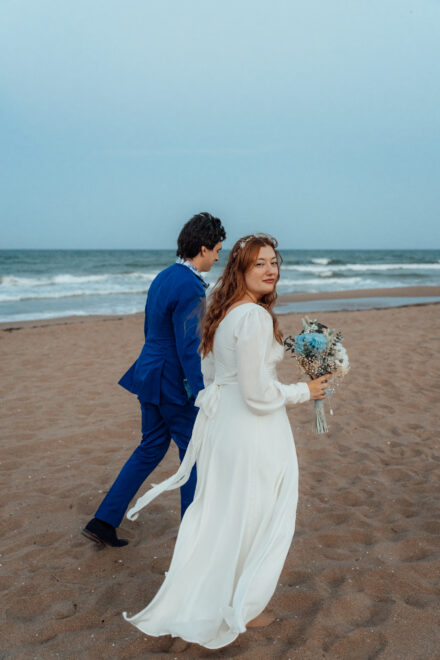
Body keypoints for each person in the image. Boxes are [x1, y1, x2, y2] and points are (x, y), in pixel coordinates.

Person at [121, 233, 330, 648]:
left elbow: (212, 377)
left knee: (228, 515)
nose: (271, 269)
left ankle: (224, 600)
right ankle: (242, 607)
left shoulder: (223, 312)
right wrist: (305, 392)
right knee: (257, 515)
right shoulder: (252, 317)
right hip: (254, 430)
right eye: (260, 264)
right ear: (241, 270)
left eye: (274, 262)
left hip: (225, 427)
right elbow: (257, 394)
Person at [82, 212, 226, 547]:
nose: (219, 256)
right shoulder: (190, 285)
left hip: (148, 372)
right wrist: (201, 392)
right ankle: (195, 535)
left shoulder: (164, 276)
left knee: (150, 448)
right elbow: (188, 346)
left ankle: (103, 520)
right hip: (171, 382)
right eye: (217, 249)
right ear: (203, 248)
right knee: (194, 452)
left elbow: (153, 331)